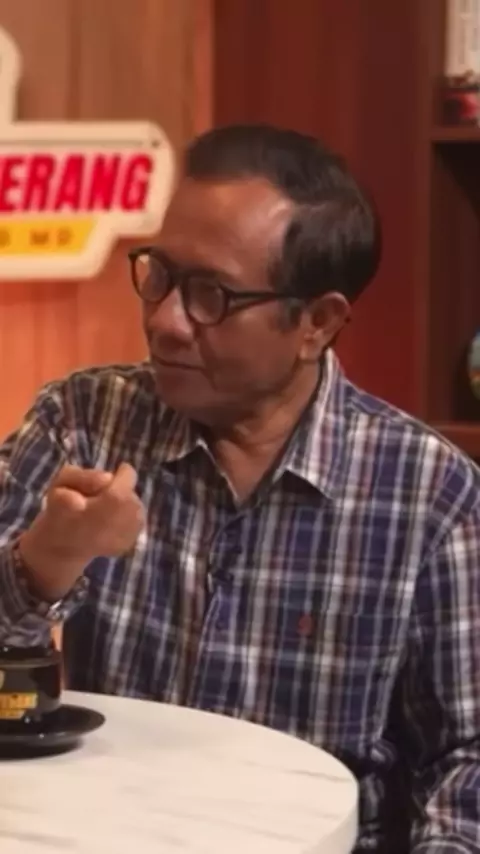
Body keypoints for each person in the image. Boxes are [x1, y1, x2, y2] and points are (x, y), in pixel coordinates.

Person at [0, 123, 479, 853]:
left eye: (211, 295)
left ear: (317, 323)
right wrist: (43, 564)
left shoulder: (429, 494)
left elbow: (466, 760)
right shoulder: (82, 422)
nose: (165, 320)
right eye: (159, 274)